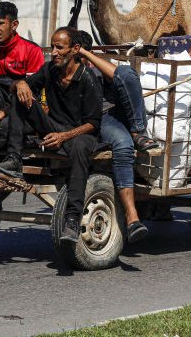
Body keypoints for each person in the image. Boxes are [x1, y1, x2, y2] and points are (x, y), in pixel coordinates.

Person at [0, 27, 101, 243]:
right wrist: (20, 83)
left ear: (75, 50)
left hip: (79, 134)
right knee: (20, 97)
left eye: (59, 48)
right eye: (52, 47)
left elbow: (93, 123)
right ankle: (13, 159)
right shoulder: (50, 69)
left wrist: (64, 137)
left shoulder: (87, 78)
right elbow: (23, 87)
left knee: (79, 149)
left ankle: (72, 219)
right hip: (52, 128)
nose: (54, 52)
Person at [73, 30, 157, 243]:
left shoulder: (97, 66)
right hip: (100, 119)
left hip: (120, 113)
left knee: (127, 73)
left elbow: (120, 76)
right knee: (123, 145)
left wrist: (86, 54)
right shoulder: (62, 70)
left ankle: (138, 131)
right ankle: (132, 217)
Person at [0, 1, 45, 93]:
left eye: (0, 23)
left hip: (21, 104)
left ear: (14, 25)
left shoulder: (32, 50)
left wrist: (18, 83)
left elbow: (35, 87)